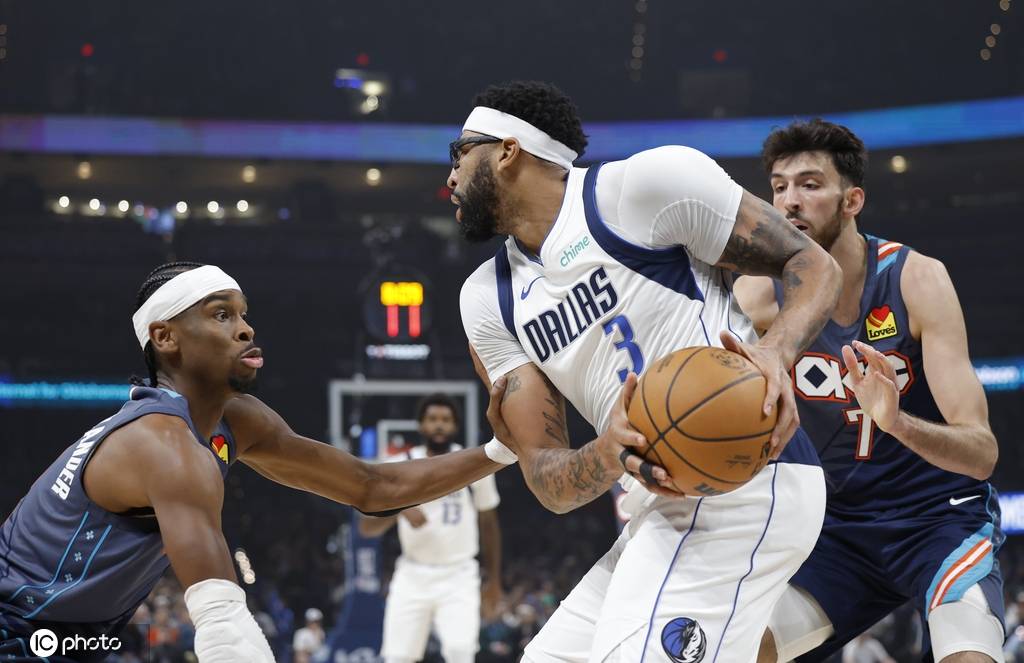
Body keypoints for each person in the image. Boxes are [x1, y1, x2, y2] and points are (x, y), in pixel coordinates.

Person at [454, 80, 841, 661]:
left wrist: (775, 353)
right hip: (655, 507)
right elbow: (547, 480)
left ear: (508, 150)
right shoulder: (486, 298)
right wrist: (609, 450)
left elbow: (812, 263)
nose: (450, 177)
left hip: (748, 478)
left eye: (459, 153)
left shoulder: (641, 188)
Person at [0, 261, 518, 663]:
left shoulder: (236, 419)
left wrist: (501, 449)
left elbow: (371, 487)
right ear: (165, 338)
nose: (245, 329)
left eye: (243, 314)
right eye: (221, 315)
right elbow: (222, 624)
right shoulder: (162, 444)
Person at [734, 118, 1005, 662]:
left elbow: (982, 454)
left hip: (937, 519)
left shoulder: (917, 280)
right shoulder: (758, 296)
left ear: (852, 200)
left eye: (810, 184)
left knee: (970, 656)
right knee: (743, 650)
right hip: (833, 532)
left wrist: (897, 422)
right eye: (780, 187)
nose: (789, 201)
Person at [360, 393, 505, 663]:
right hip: (412, 572)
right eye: (433, 419)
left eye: (446, 419)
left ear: (455, 426)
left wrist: (494, 581)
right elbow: (367, 528)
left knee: (460, 652)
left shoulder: (473, 462)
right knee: (397, 656)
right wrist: (398, 507)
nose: (439, 425)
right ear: (421, 424)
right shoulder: (399, 465)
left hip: (459, 573)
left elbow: (489, 523)